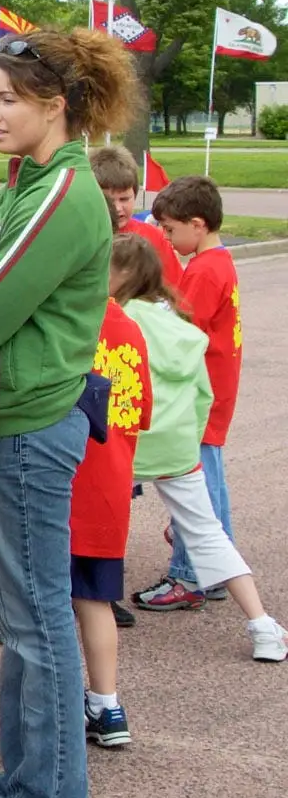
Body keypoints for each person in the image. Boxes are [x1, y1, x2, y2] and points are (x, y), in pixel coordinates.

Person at [0, 27, 138, 798]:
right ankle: (20, 783)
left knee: (35, 625)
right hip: (6, 425)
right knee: (22, 618)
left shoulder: (65, 194)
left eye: (6, 100)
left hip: (29, 427)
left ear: (54, 107)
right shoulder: (29, 184)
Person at [110, 235, 285, 661]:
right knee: (208, 533)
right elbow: (202, 392)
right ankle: (262, 626)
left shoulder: (117, 318)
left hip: (125, 442)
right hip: (177, 446)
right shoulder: (182, 324)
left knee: (68, 523)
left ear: (122, 275)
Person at [137, 176, 244, 610]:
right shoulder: (218, 261)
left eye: (170, 229)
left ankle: (193, 573)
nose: (165, 236)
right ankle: (216, 565)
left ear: (197, 225)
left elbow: (179, 330)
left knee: (198, 484)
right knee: (206, 480)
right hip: (216, 388)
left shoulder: (202, 269)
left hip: (202, 394)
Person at [70, 226, 154, 749]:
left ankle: (53, 708)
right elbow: (140, 414)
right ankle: (107, 704)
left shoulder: (74, 325)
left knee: (47, 607)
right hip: (112, 487)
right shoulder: (131, 330)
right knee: (95, 601)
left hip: (68, 483)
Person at [90, 144, 182, 287]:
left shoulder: (152, 238)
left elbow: (175, 288)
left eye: (124, 199)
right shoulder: (84, 236)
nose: (117, 208)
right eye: (108, 200)